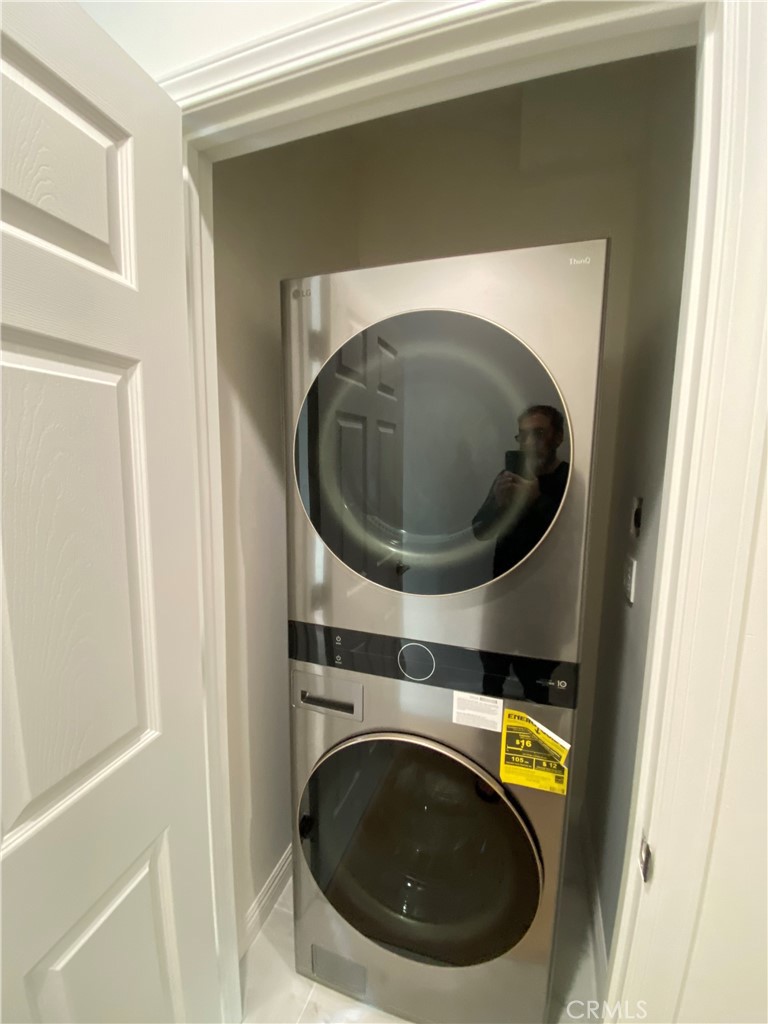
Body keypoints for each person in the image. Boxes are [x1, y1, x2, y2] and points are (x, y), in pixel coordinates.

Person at [472, 404, 569, 578]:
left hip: (551, 584)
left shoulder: (568, 479)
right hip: (504, 582)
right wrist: (497, 504)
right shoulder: (508, 477)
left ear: (558, 437)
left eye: (538, 434)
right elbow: (480, 532)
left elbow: (573, 537)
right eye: (523, 435)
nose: (529, 442)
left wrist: (537, 499)